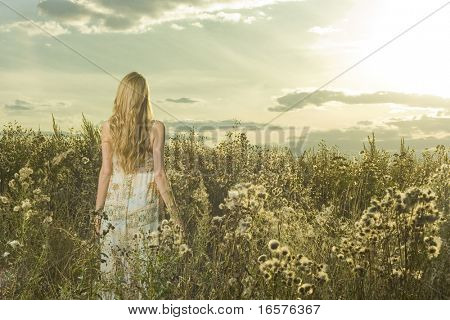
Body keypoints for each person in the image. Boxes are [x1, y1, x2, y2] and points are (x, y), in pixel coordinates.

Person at [94, 71, 182, 298]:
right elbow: (160, 175)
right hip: (144, 206)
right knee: (143, 273)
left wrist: (97, 212)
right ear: (144, 97)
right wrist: (175, 215)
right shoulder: (156, 128)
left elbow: (105, 172)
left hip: (114, 206)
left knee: (112, 272)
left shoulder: (108, 127)